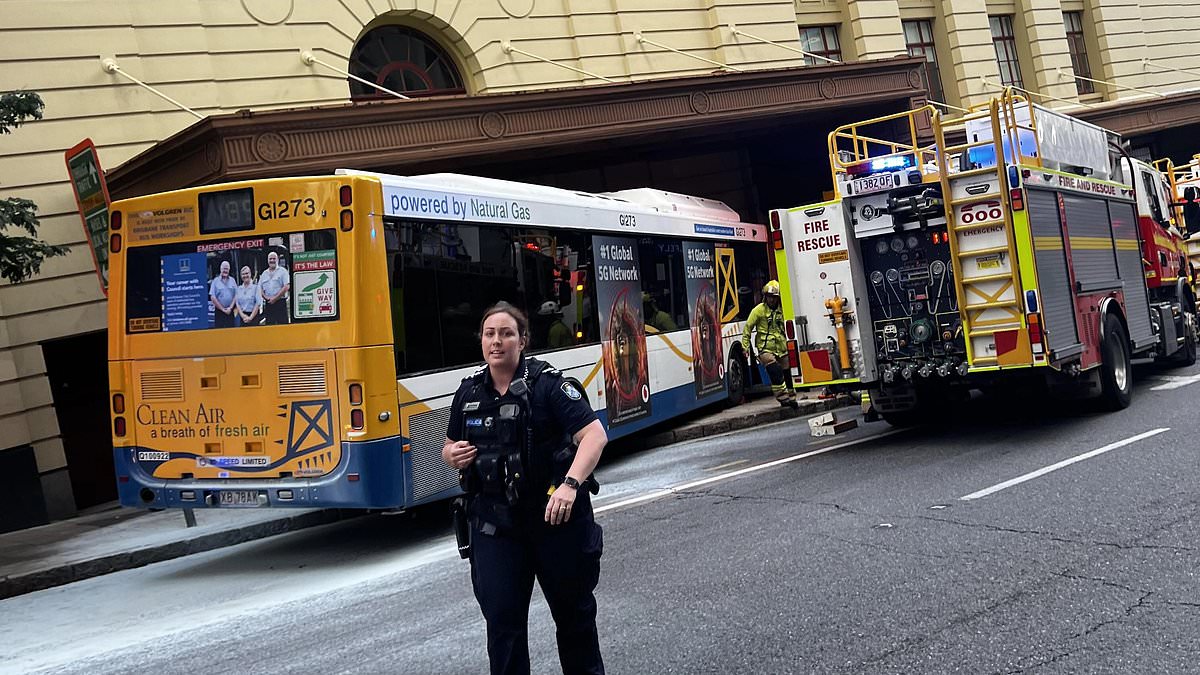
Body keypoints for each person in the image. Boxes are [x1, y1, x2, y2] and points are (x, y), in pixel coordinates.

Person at [444, 301, 607, 675]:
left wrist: (569, 485)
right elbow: (448, 445)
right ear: (481, 341)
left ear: (523, 341)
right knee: (503, 628)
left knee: (574, 620)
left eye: (506, 333)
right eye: (489, 334)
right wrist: (452, 454)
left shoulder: (548, 386)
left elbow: (594, 436)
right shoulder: (468, 393)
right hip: (496, 528)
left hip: (555, 523)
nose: (496, 341)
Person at [741, 280, 798, 408]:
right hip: (765, 348)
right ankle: (782, 398)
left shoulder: (783, 310)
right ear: (765, 297)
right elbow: (747, 329)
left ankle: (792, 397)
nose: (771, 300)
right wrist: (745, 347)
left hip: (781, 347)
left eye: (774, 297)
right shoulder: (758, 311)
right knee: (775, 370)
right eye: (769, 297)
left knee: (787, 374)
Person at [259, 251, 290, 325]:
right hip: (268, 304)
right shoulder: (264, 274)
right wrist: (266, 297)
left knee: (283, 327)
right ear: (267, 260)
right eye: (270, 259)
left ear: (277, 260)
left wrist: (275, 298)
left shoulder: (283, 271)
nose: (272, 260)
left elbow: (286, 286)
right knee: (269, 327)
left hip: (280, 303)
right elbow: (260, 288)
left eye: (274, 258)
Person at [208, 260, 237, 328]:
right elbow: (213, 297)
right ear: (220, 269)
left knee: (231, 333)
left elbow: (236, 295)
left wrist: (230, 308)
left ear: (229, 270)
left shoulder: (233, 280)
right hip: (219, 312)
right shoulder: (215, 281)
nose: (225, 271)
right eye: (224, 268)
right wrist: (223, 309)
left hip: (230, 312)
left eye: (227, 269)